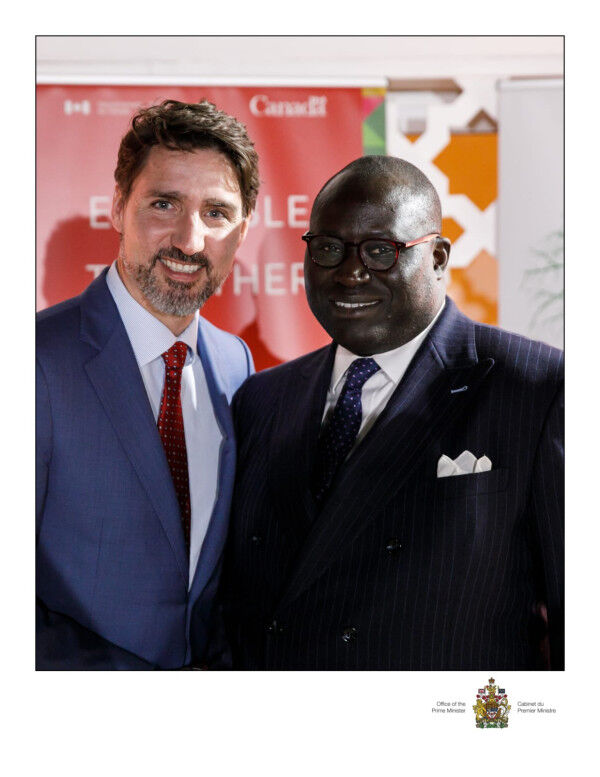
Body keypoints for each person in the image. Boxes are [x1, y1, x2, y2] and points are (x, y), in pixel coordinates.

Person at [221, 155, 564, 671]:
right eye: (328, 248)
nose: (350, 273)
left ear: (439, 258)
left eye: (381, 251)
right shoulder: (261, 400)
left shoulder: (536, 388)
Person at [36, 99, 259, 669]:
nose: (190, 240)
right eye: (165, 203)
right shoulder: (35, 360)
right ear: (118, 207)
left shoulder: (236, 365)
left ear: (241, 233)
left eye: (216, 213)